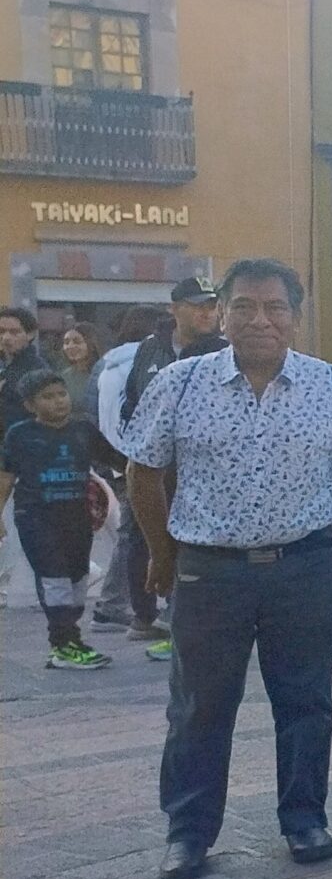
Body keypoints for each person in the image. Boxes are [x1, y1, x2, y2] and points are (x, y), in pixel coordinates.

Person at [126, 259, 332, 879]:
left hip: (303, 569)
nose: (259, 320)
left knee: (306, 701)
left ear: (295, 316)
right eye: (243, 306)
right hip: (210, 574)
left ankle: (304, 819)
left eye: (274, 307)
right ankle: (188, 832)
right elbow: (143, 471)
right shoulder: (180, 383)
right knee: (199, 707)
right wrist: (161, 551)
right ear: (222, 313)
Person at [110, 279, 227, 652]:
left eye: (212, 305)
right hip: (148, 467)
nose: (207, 312)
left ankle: (179, 620)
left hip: (198, 469)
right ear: (175, 309)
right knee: (137, 536)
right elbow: (131, 401)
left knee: (190, 541)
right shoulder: (150, 349)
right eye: (197, 305)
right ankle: (143, 614)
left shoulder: (224, 353)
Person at [2, 369, 117, 668]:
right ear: (30, 405)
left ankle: (69, 641)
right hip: (36, 517)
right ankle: (64, 643)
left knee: (78, 578)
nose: (58, 402)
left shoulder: (84, 431)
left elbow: (119, 460)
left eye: (61, 394)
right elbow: (5, 477)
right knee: (54, 577)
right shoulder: (20, 435)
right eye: (47, 397)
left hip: (77, 518)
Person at [87, 306, 160, 632]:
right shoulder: (143, 361)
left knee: (132, 532)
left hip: (114, 455)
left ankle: (112, 604)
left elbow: (97, 413)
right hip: (139, 457)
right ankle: (119, 606)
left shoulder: (108, 362)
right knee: (138, 532)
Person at [0, 307, 47, 435]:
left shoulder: (37, 371)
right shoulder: (4, 367)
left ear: (30, 334)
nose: (6, 338)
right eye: (1, 331)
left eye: (14, 332)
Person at [54, 321, 106, 424]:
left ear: (91, 343)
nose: (70, 346)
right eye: (66, 342)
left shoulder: (104, 374)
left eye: (77, 342)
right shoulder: (63, 376)